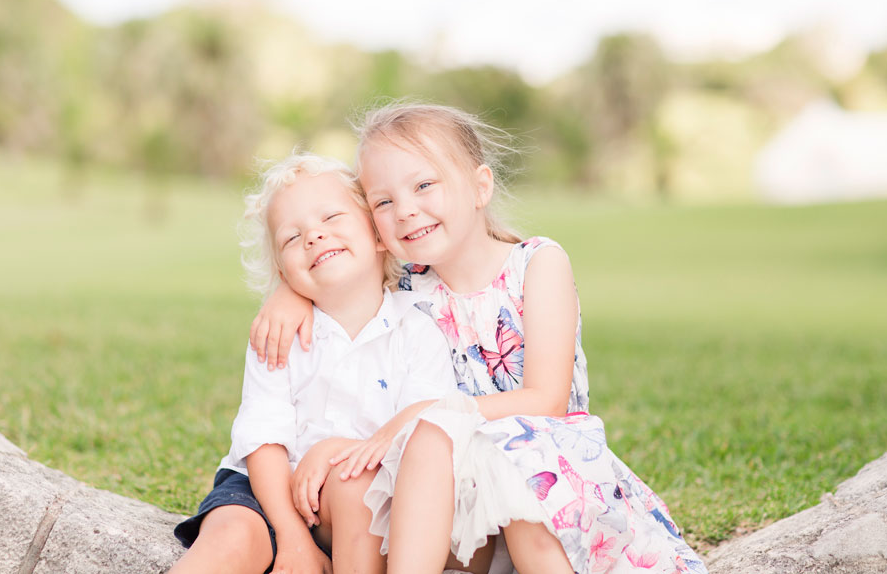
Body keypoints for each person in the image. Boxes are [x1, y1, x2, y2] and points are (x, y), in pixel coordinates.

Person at [250, 103, 708, 574]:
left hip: (543, 466)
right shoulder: (410, 284)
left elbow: (547, 399)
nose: (405, 210)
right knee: (425, 446)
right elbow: (338, 258)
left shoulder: (536, 265)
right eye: (383, 201)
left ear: (480, 186)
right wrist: (288, 293)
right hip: (452, 490)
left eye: (424, 185)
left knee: (451, 445)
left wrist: (420, 418)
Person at [168, 153, 458, 574]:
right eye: (292, 238)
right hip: (263, 490)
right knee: (231, 536)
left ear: (379, 236)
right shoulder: (280, 333)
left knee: (356, 487)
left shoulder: (418, 330)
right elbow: (263, 442)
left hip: (360, 494)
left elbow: (424, 431)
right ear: (284, 273)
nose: (314, 237)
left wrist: (338, 452)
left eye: (332, 218)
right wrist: (291, 537)